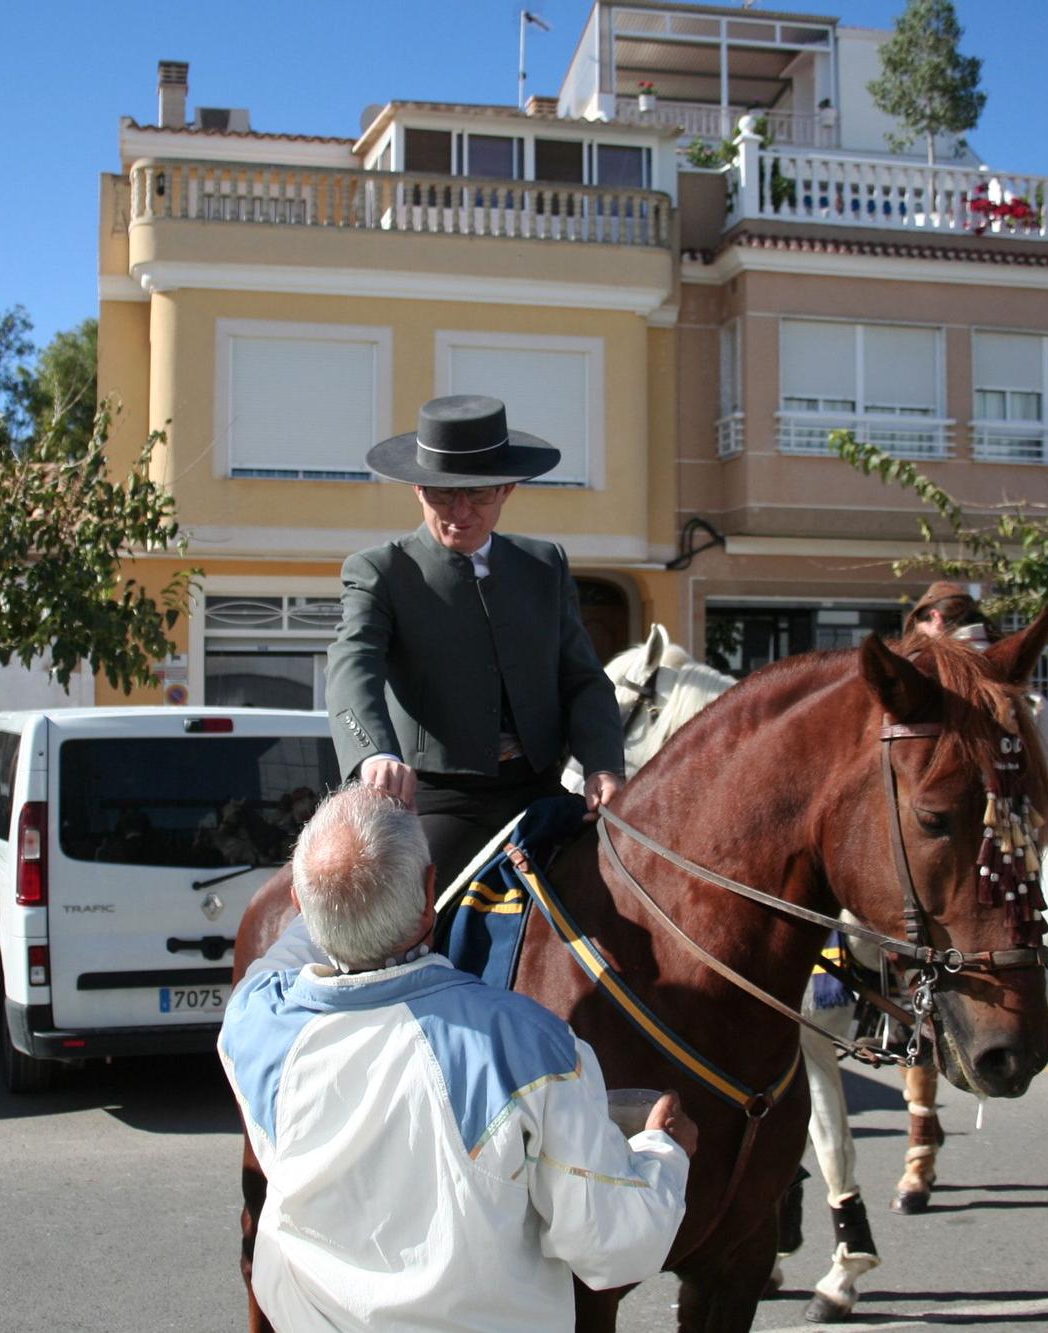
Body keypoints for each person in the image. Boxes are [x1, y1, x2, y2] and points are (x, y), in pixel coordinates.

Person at [220, 784, 694, 1332]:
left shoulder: (252, 1025)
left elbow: (279, 958)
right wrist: (665, 1152)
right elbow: (613, 1245)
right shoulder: (531, 1046)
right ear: (430, 894)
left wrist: (334, 894)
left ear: (300, 905)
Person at [325, 395, 626, 883]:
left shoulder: (544, 565)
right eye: (443, 495)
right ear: (418, 490)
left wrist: (603, 766)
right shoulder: (382, 570)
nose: (460, 512)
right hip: (441, 802)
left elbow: (583, 679)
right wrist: (375, 754)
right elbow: (352, 664)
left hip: (540, 791)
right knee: (408, 916)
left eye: (479, 494)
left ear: (507, 489)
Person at [903, 581, 1048, 762]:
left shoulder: (929, 674)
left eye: (920, 633)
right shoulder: (1025, 686)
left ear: (935, 617)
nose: (920, 643)